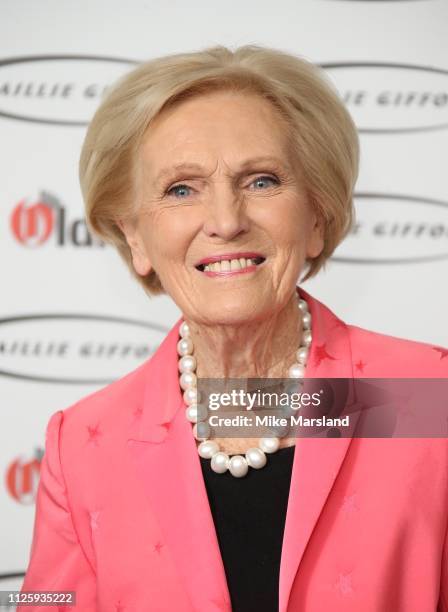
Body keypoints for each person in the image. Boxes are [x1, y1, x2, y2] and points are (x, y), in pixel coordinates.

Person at [19, 45, 447, 612]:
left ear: (316, 218)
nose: (225, 221)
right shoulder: (83, 446)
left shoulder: (426, 398)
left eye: (262, 181)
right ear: (135, 238)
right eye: (180, 189)